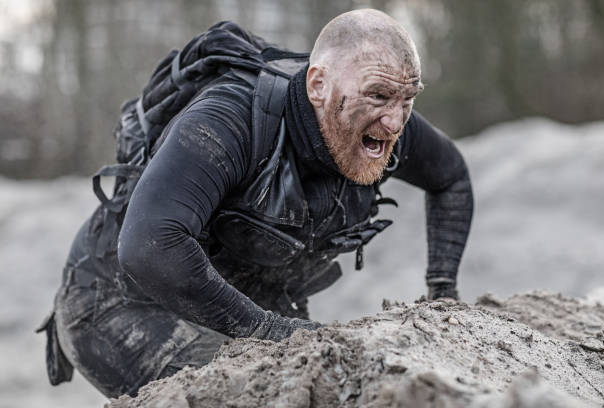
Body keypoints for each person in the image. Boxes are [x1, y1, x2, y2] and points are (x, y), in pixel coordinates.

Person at [40, 9, 473, 398]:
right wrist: (268, 330)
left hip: (239, 297)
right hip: (120, 301)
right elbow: (149, 245)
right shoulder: (230, 118)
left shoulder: (384, 124)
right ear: (318, 85)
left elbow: (451, 178)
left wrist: (443, 292)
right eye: (378, 96)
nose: (396, 120)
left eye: (408, 99)